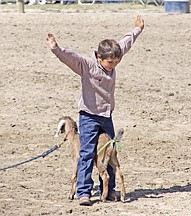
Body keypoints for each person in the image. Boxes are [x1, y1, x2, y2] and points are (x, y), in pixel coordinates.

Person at [47, 15, 144, 206]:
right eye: (110, 63)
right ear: (100, 57)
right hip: (89, 116)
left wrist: (137, 29)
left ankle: (108, 190)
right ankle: (83, 191)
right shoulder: (87, 65)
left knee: (108, 152)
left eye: (116, 62)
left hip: (106, 116)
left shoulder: (114, 57)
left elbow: (125, 43)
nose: (114, 66)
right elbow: (71, 58)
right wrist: (56, 49)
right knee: (87, 153)